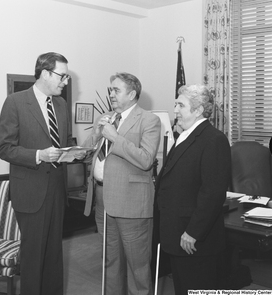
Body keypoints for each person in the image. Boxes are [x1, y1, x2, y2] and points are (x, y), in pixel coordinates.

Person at [0, 52, 83, 295]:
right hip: (30, 193)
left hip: (56, 192)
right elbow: (5, 149)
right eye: (62, 76)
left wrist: (78, 152)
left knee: (54, 257)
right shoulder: (15, 102)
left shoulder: (61, 104)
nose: (65, 82)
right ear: (45, 73)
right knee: (33, 260)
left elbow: (64, 142)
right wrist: (39, 155)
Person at [82, 72, 161, 295]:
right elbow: (87, 155)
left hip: (131, 203)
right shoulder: (106, 118)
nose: (111, 94)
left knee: (137, 267)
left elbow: (145, 159)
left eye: (116, 90)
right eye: (111, 90)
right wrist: (97, 134)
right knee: (110, 262)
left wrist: (115, 137)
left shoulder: (149, 120)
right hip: (102, 200)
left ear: (132, 93)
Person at [154, 84, 231, 294]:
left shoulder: (214, 140)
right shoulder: (184, 135)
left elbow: (213, 193)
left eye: (180, 105)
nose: (175, 110)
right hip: (177, 233)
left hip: (193, 239)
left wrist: (193, 232)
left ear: (197, 110)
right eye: (175, 104)